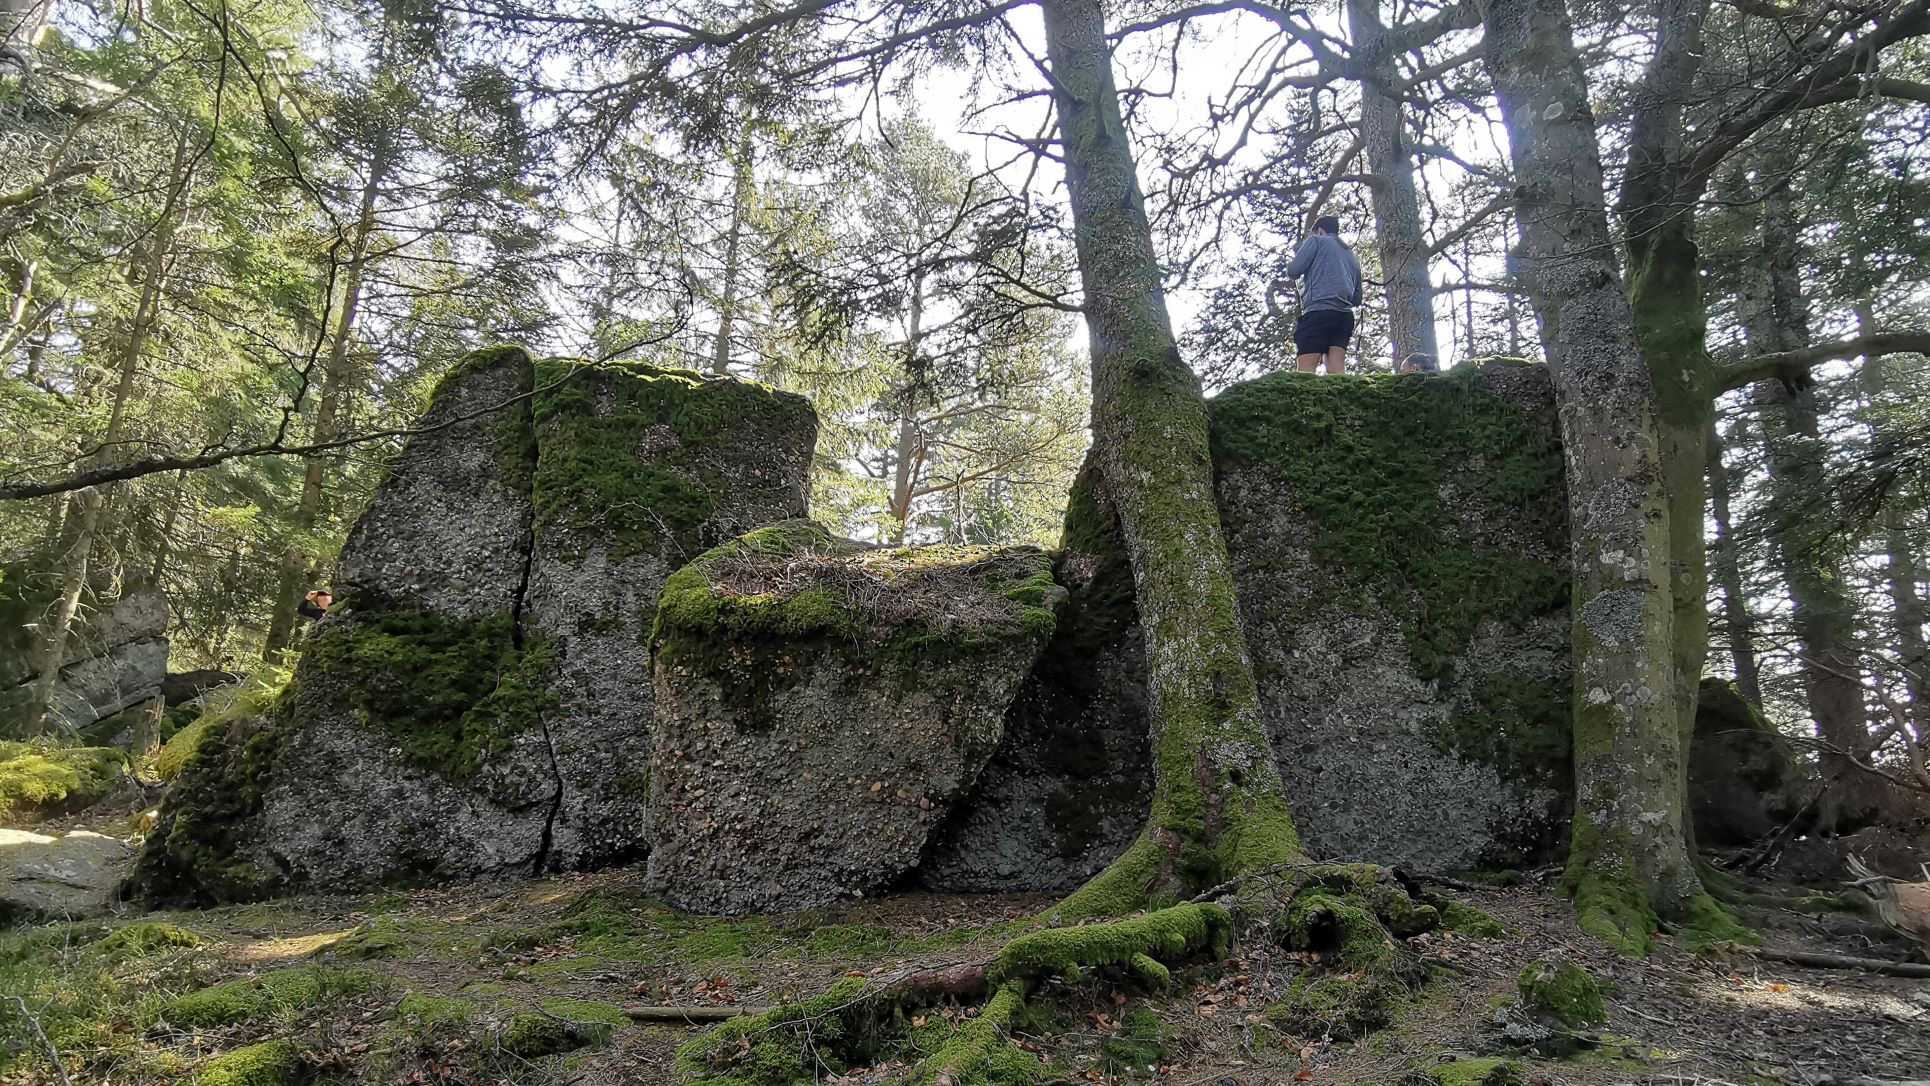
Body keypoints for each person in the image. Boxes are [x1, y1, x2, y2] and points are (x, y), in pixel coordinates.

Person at [1285, 214, 1364, 374]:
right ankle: (1340, 398)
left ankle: (1305, 399)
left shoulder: (1316, 241)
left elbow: (1293, 271)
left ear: (1319, 231)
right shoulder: (1351, 256)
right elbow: (1357, 298)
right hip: (1344, 317)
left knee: (1306, 369)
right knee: (1336, 371)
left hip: (1318, 312)